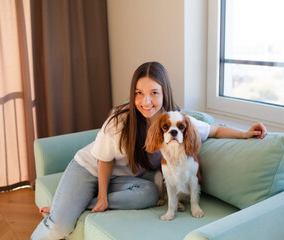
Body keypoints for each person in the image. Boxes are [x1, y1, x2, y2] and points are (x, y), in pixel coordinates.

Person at [31, 61, 267, 239]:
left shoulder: (174, 121)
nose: (146, 101)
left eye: (154, 93)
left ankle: (78, 203)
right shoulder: (119, 119)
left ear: (164, 93)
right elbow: (104, 160)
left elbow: (213, 130)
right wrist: (102, 196)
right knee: (60, 225)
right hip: (90, 168)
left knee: (151, 195)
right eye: (139, 93)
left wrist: (246, 133)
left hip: (123, 179)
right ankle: (68, 208)